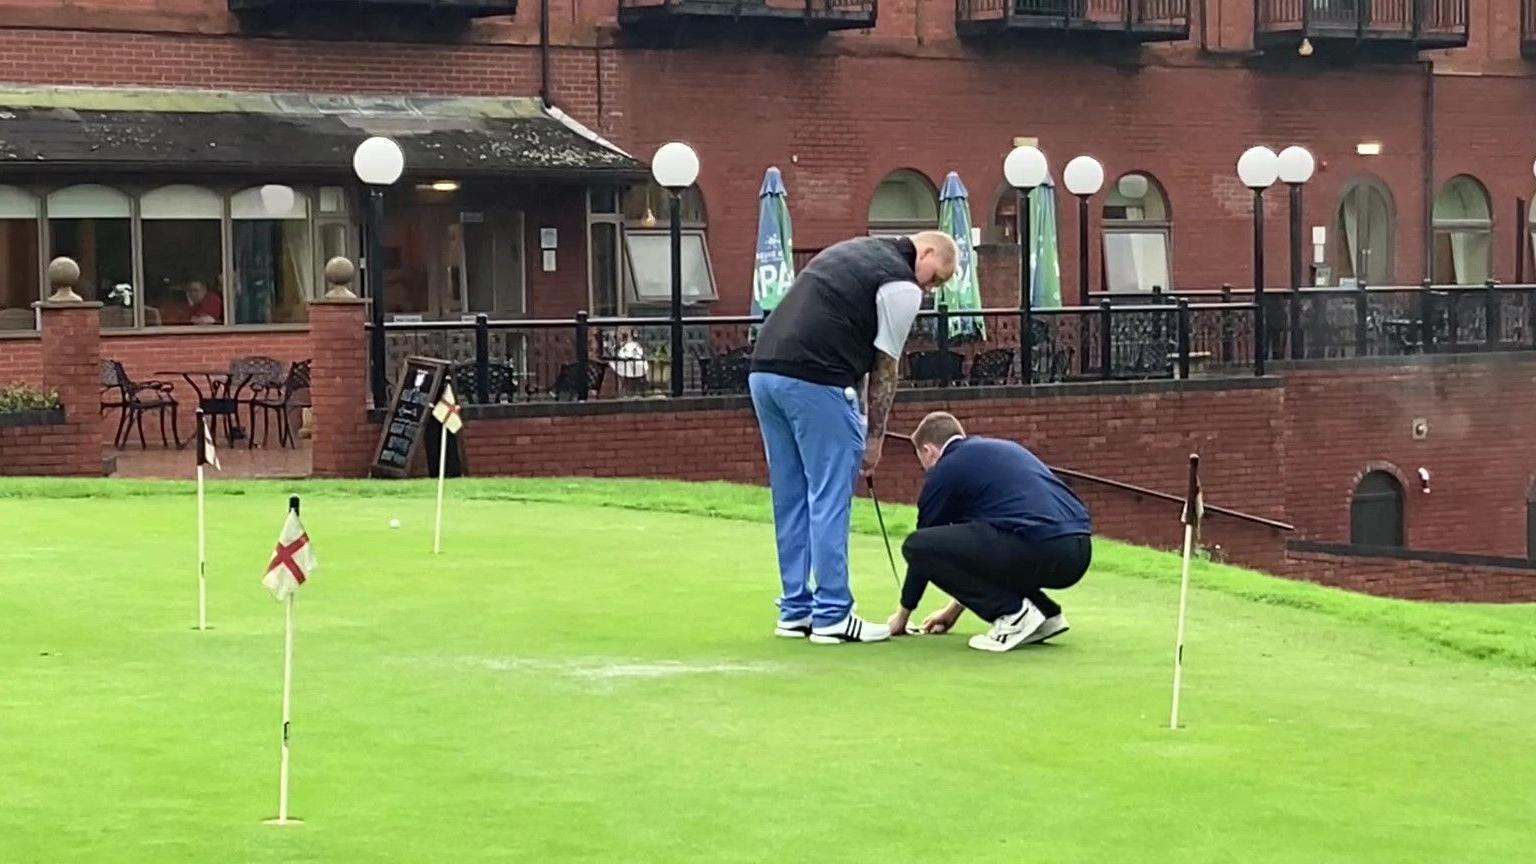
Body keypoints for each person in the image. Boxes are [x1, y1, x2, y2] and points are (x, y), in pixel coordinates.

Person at [749, 231, 958, 645]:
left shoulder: (848, 251)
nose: (930, 289)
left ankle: (795, 611)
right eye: (936, 278)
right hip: (816, 378)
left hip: (764, 374)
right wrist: (874, 437)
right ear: (928, 251)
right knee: (828, 497)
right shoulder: (901, 284)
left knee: (790, 497)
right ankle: (832, 614)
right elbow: (885, 368)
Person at [886, 411, 1093, 653]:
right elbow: (981, 556)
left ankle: (1014, 616)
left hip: (1036, 545)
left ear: (928, 450)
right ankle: (1045, 614)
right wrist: (952, 611)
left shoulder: (945, 470)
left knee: (916, 544)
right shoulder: (1002, 450)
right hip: (1078, 550)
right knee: (996, 540)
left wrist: (903, 614)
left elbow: (923, 551)